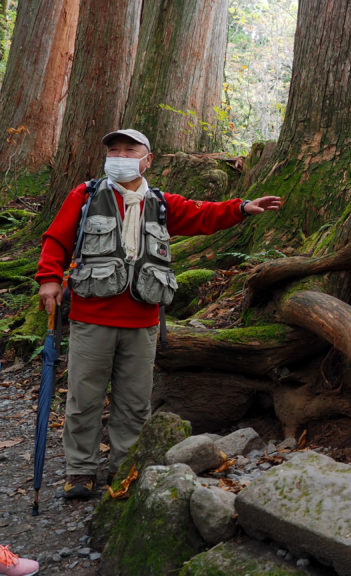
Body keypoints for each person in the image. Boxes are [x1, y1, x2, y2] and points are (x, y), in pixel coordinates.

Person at [35, 129, 282, 499]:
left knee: (134, 402)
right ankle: (80, 471)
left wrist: (241, 208)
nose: (119, 155)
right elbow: (57, 238)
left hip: (143, 321)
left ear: (146, 159)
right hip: (91, 318)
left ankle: (124, 466)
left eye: (128, 149)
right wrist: (48, 280)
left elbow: (202, 215)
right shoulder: (85, 195)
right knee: (83, 399)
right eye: (113, 150)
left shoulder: (161, 203)